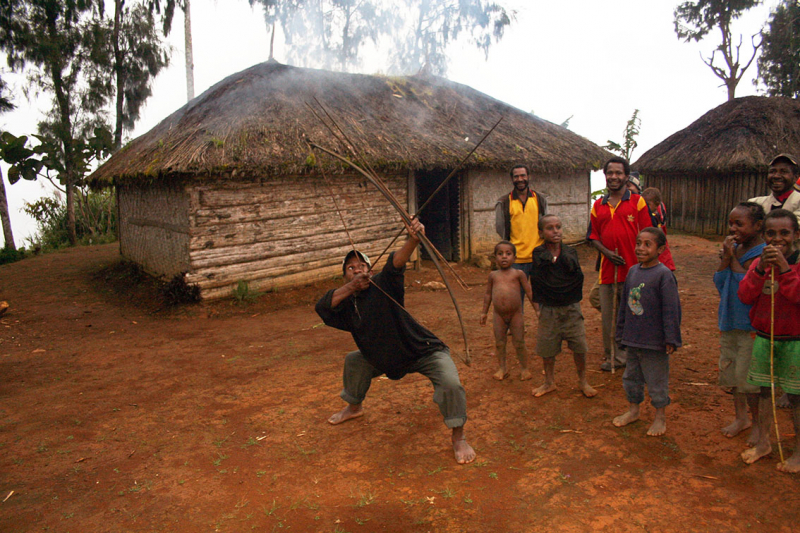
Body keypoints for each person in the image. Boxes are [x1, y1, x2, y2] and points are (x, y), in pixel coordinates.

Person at [315, 219, 476, 464]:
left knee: (450, 383)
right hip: (384, 358)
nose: (357, 270)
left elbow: (395, 264)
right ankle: (355, 408)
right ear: (344, 276)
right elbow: (322, 306)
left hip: (422, 351)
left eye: (362, 266)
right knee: (354, 361)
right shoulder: (346, 304)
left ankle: (458, 436)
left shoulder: (384, 284)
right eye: (351, 268)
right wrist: (350, 288)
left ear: (370, 270)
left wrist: (413, 239)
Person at [738, 209, 800, 473]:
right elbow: (745, 295)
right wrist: (761, 268)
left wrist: (785, 270)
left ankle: (798, 452)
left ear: (796, 235)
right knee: (764, 392)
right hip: (765, 338)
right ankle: (763, 443)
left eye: (784, 233)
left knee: (797, 398)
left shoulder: (796, 263)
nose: (778, 240)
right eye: (771, 234)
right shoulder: (758, 263)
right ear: (763, 236)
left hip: (795, 341)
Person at [612, 227, 682, 436]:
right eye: (638, 243)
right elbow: (624, 305)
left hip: (654, 341)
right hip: (633, 339)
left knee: (656, 380)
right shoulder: (633, 271)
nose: (640, 248)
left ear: (660, 249)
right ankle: (633, 411)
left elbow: (671, 310)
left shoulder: (664, 275)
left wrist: (671, 338)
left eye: (647, 244)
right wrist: (621, 332)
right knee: (631, 378)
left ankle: (659, 417)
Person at [588, 156, 653, 371]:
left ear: (626, 176)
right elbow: (593, 236)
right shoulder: (599, 205)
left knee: (635, 314)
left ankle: (635, 355)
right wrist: (607, 253)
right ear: (605, 176)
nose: (613, 177)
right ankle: (613, 356)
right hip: (608, 271)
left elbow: (649, 235)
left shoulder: (638, 202)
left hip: (635, 272)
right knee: (609, 318)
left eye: (618, 173)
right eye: (610, 173)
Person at [529, 214, 597, 398]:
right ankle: (549, 382)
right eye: (550, 228)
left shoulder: (570, 252)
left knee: (579, 346)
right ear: (541, 232)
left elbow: (576, 277)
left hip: (571, 307)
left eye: (558, 227)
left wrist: (561, 284)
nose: (555, 231)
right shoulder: (538, 253)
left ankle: (583, 381)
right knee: (547, 348)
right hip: (548, 309)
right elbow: (539, 279)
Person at [714, 202, 765, 443]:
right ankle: (740, 417)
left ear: (757, 226)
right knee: (733, 375)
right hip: (729, 321)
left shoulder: (762, 254)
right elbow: (720, 282)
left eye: (739, 224)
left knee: (749, 382)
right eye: (731, 223)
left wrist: (731, 256)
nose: (733, 228)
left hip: (750, 327)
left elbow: (745, 284)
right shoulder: (736, 249)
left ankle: (757, 425)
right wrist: (726, 257)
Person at [480, 241, 536, 381]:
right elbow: (488, 294)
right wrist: (484, 312)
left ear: (515, 258)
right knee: (500, 342)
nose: (504, 257)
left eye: (508, 254)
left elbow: (529, 292)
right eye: (500, 254)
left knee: (519, 342)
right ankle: (502, 368)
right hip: (498, 315)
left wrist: (537, 310)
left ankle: (524, 368)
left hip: (516, 314)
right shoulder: (493, 275)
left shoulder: (519, 274)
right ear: (495, 257)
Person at [495, 164, 548, 303]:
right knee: (516, 300)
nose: (520, 179)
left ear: (528, 177)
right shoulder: (504, 202)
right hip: (516, 260)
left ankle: (545, 325)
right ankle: (517, 325)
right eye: (516, 176)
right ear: (512, 179)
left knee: (543, 298)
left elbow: (546, 225)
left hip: (538, 257)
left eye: (523, 175)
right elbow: (500, 228)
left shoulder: (540, 199)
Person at [748, 154, 800, 219]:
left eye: (783, 172)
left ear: (795, 177)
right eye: (772, 171)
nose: (776, 176)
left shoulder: (798, 201)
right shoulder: (754, 203)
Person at [642, 187, 676, 272]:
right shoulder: (650, 215)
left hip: (659, 251)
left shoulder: (655, 217)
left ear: (657, 204)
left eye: (648, 204)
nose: (645, 207)